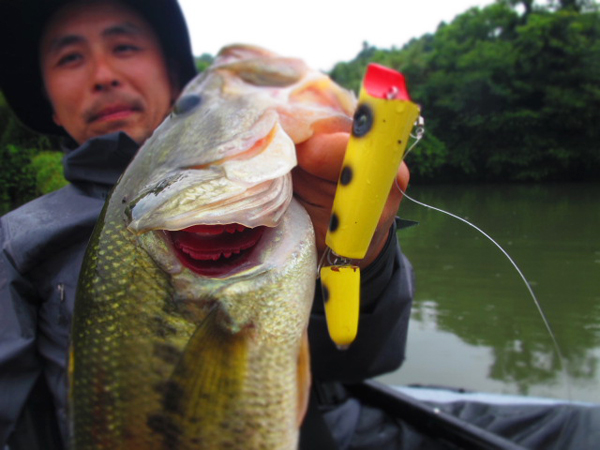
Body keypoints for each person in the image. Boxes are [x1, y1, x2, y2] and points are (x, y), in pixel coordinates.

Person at [0, 1, 415, 448]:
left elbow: (361, 360)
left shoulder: (283, 188)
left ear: (172, 74)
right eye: (70, 58)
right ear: (50, 105)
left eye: (124, 47)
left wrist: (360, 260)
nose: (103, 75)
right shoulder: (13, 245)